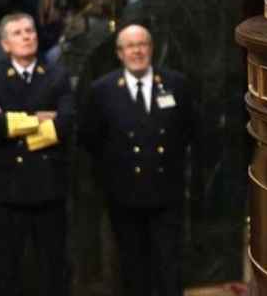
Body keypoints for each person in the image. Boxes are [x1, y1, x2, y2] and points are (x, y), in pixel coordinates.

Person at [79, 24, 194, 296]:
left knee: (168, 265)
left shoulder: (175, 83)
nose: (137, 51)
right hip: (124, 194)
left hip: (167, 192)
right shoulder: (102, 90)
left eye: (142, 44)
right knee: (132, 266)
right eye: (130, 46)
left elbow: (189, 129)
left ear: (151, 49)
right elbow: (89, 137)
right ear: (120, 53)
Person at [0, 13, 73, 296]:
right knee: (5, 269)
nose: (27, 36)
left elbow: (66, 123)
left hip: (49, 185)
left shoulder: (57, 75)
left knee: (53, 267)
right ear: (6, 44)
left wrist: (15, 122)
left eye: (30, 30)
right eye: (18, 33)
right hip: (8, 189)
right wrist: (41, 119)